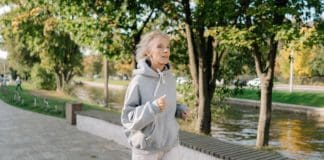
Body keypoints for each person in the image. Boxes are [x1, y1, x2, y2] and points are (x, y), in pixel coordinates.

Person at [121, 30, 189, 160]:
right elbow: (128, 119)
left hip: (171, 146)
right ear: (148, 52)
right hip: (147, 149)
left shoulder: (170, 78)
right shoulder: (138, 81)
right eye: (160, 47)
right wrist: (152, 108)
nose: (166, 51)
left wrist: (179, 110)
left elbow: (168, 105)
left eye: (168, 47)